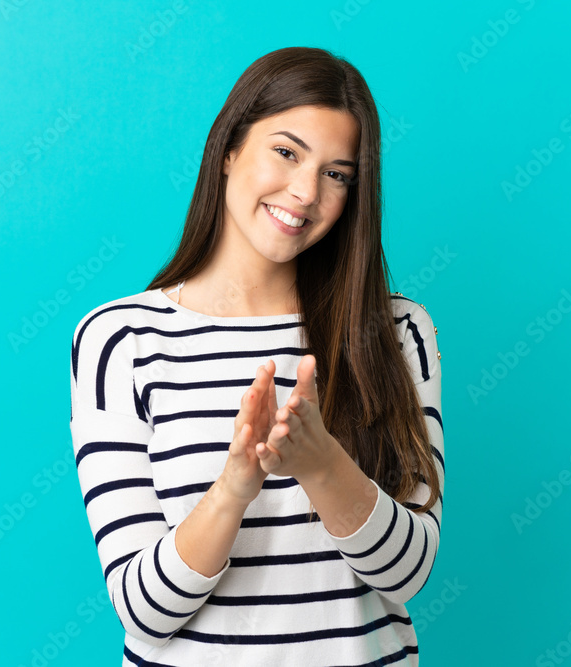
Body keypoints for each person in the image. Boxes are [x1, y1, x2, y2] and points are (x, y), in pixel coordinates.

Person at [69, 46, 444, 666]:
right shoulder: (120, 340)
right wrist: (234, 487)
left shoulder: (396, 330)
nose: (304, 192)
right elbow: (144, 612)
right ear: (228, 150)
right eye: (286, 152)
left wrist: (321, 463)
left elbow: (407, 574)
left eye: (337, 173)